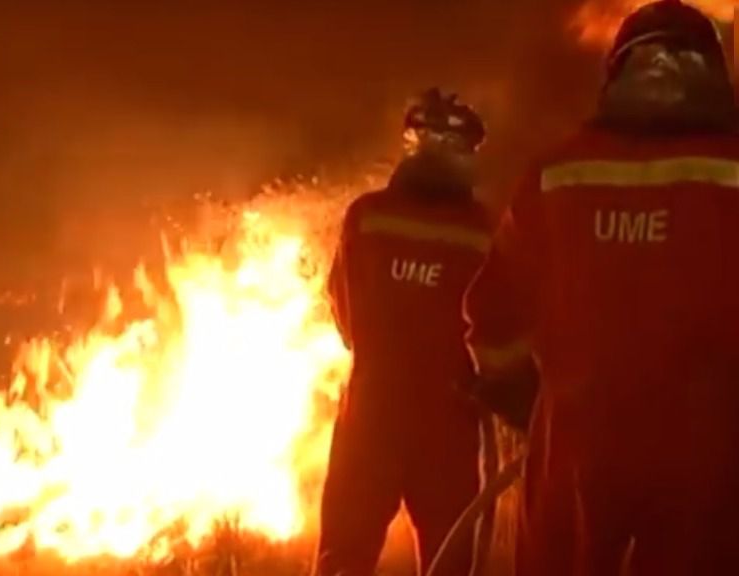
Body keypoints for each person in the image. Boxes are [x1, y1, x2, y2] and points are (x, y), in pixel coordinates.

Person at [462, 1, 739, 574]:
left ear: (617, 74)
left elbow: (492, 314)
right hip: (709, 454)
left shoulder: (556, 175)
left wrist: (526, 402)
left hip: (576, 444)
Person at [316, 88, 492, 576]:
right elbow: (498, 323)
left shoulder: (367, 216)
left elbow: (345, 311)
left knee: (344, 555)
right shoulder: (486, 230)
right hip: (448, 418)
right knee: (448, 555)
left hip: (372, 412)